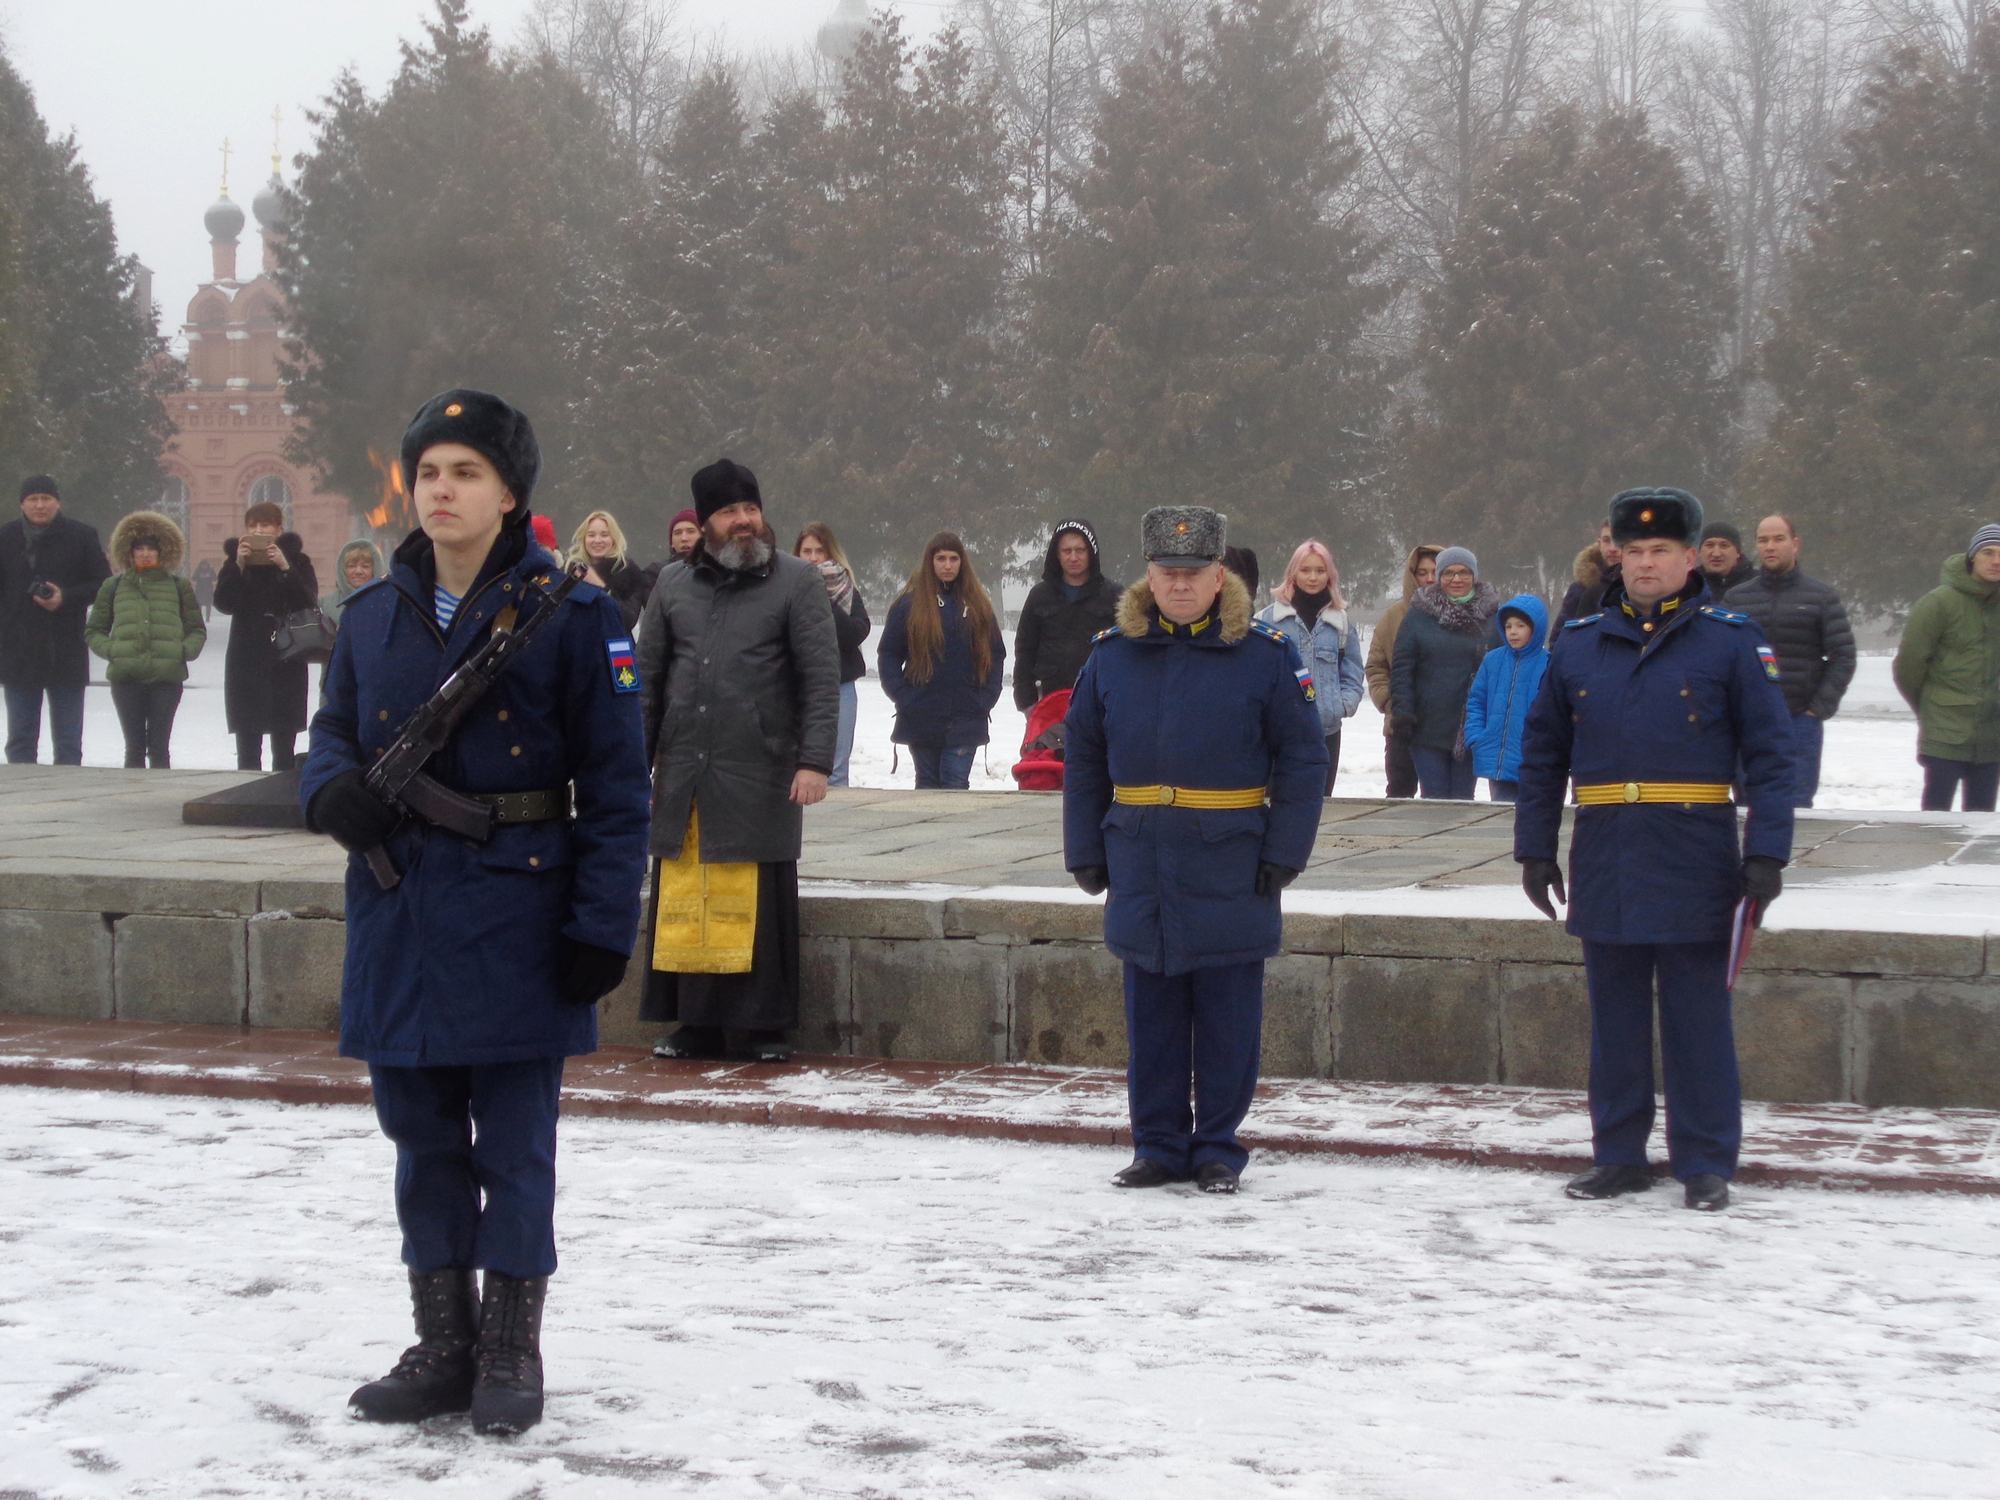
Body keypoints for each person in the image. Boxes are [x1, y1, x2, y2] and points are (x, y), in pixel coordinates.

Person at [301, 389, 650, 1435]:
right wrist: (332, 792)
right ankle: (442, 1342)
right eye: (429, 472)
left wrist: (599, 926)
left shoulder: (576, 618)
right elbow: (328, 738)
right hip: (401, 911)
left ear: (509, 495)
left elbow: (617, 788)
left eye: (465, 472)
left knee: (513, 1145)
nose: (440, 490)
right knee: (419, 1141)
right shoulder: (370, 617)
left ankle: (509, 1345)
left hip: (517, 914)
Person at [1516, 487, 1794, 1213]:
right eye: (1632, 551)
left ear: (1691, 557)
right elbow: (1544, 754)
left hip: (1696, 852)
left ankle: (1705, 1161)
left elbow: (1771, 756)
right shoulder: (1579, 642)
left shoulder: (1731, 640)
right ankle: (1618, 1154)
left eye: (1660, 551)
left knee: (1698, 1018)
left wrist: (1767, 854)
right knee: (1615, 1020)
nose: (1645, 564)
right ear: (1616, 553)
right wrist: (1535, 849)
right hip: (1606, 852)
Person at [1065, 505, 1325, 1195]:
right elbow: (1085, 756)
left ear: (1220, 576)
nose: (1179, 584)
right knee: (1150, 1016)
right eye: (1166, 572)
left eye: (1194, 572)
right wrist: (1083, 847)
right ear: (1148, 576)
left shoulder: (1266, 658)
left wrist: (1287, 849)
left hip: (1233, 861)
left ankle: (1216, 1146)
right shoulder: (1112, 655)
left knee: (1227, 1017)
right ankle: (1155, 1144)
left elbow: (1302, 759)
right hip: (1141, 858)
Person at [636, 459, 840, 1064]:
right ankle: (694, 1024)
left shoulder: (797, 580)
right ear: (705, 524)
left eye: (750, 509)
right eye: (730, 512)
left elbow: (821, 678)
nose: (745, 521)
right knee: (686, 899)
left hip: (763, 771)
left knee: (756, 902)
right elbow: (645, 682)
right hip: (686, 771)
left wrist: (814, 762)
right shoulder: (672, 584)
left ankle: (762, 1027)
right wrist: (631, 768)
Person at [1723, 516, 1856, 808]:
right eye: (1763, 540)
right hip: (1749, 724)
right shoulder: (1736, 599)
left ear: (1795, 544)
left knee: (1796, 812)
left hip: (1799, 722)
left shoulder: (1821, 597)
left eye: (1778, 538)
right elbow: (1720, 657)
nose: (1770, 546)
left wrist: (1818, 708)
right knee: (1748, 810)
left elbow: (1843, 655)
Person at [877, 532, 1006, 790]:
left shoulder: (979, 605)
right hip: (921, 714)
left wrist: (985, 699)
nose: (947, 565)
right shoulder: (909, 605)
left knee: (955, 786)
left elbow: (995, 654)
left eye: (953, 558)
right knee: (926, 788)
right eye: (941, 558)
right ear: (930, 562)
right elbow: (889, 653)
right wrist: (904, 696)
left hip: (966, 715)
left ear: (962, 562)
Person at [0, 475, 109, 765]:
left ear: (57, 502)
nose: (39, 505)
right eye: (32, 499)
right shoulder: (5, 538)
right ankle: (25, 801)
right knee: (20, 740)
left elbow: (103, 583)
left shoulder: (82, 536)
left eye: (46, 499)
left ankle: (69, 800)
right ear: (22, 504)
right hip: (18, 651)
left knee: (68, 742)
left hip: (65, 649)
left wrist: (66, 597)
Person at [85, 510, 205, 769]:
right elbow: (94, 630)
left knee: (160, 749)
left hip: (167, 677)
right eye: (139, 548)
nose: (145, 553)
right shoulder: (113, 586)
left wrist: (182, 652)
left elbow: (196, 629)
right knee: (134, 749)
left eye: (152, 548)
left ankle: (159, 801)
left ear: (163, 551)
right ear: (129, 551)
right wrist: (114, 651)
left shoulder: (178, 586)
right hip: (126, 678)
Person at [1894, 524, 2000, 811]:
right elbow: (1909, 667)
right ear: (1972, 557)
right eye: (1988, 553)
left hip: (1991, 740)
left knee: (1979, 830)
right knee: (1934, 825)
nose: (1996, 561)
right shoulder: (1938, 603)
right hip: (1944, 736)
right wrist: (1932, 706)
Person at [213, 501, 318, 772]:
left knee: (284, 745)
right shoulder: (236, 561)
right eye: (253, 526)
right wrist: (238, 565)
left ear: (279, 528)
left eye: (265, 525)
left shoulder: (298, 560)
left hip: (287, 656)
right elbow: (223, 603)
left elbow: (308, 602)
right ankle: (245, 795)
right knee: (247, 743)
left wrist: (285, 567)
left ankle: (281, 799)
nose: (259, 531)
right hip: (246, 658)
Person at [1389, 546, 1501, 800]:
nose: (1457, 579)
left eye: (1464, 572)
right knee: (1434, 799)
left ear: (1474, 575)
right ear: (1439, 577)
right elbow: (1403, 668)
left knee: (1462, 800)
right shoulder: (1419, 615)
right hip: (1427, 725)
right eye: (1449, 573)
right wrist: (1403, 713)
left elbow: (1502, 668)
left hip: (1472, 724)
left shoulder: (1493, 616)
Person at [1256, 540, 1364, 793]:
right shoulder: (1267, 620)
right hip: (1278, 733)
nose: (1313, 577)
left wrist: (1342, 705)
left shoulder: (1341, 624)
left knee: (1319, 805)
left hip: (1325, 732)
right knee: (1277, 802)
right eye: (1305, 570)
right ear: (1292, 572)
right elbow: (1255, 673)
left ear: (1330, 575)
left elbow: (1353, 672)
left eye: (1320, 570)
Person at [1012, 519, 1121, 713]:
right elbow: (1025, 650)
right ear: (1057, 555)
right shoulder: (1039, 596)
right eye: (1067, 551)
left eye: (1080, 550)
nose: (1073, 557)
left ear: (1091, 553)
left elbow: (1126, 651)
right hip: (1047, 703)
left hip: (1101, 703)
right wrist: (1026, 701)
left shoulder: (1114, 595)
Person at [795, 523, 870, 787]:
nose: (814, 558)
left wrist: (823, 599)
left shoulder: (845, 588)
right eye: (807, 551)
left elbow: (855, 633)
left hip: (841, 682)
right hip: (798, 686)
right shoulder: (786, 589)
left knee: (837, 766)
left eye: (820, 551)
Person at [1365, 544, 1439, 799]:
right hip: (1400, 726)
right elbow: (1375, 665)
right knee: (1399, 794)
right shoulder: (1394, 615)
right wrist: (1388, 699)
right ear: (1412, 575)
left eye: (1436, 571)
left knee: (1441, 799)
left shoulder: (1460, 615)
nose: (1429, 578)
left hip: (1445, 724)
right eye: (1422, 572)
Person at [1463, 594, 1549, 803]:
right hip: (1498, 761)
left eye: (1520, 625)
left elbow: (1556, 713)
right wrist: (1476, 738)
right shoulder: (1493, 660)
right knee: (1501, 820)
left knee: (1533, 822)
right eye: (1508, 626)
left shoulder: (1549, 664)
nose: (1513, 632)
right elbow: (1476, 702)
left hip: (1535, 764)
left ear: (1535, 628)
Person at [567, 510, 652, 633]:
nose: (597, 540)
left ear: (614, 538)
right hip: (576, 645)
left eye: (604, 535)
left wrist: (598, 586)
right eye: (591, 535)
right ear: (583, 539)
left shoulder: (628, 571)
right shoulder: (570, 570)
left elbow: (627, 620)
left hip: (615, 646)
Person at [1551, 519, 1622, 638]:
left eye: (1618, 541)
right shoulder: (1580, 589)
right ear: (1599, 544)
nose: (1612, 548)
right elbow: (1559, 638)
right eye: (1606, 541)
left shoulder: (1644, 587)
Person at [320, 540, 384, 627]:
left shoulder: (387, 603)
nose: (358, 571)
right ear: (343, 570)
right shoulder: (324, 604)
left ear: (374, 570)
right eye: (352, 566)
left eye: (365, 566)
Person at [1697, 520, 1755, 598]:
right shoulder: (1687, 586)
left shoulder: (1758, 584)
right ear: (1699, 552)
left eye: (1724, 545)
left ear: (1738, 552)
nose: (1716, 554)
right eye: (1709, 545)